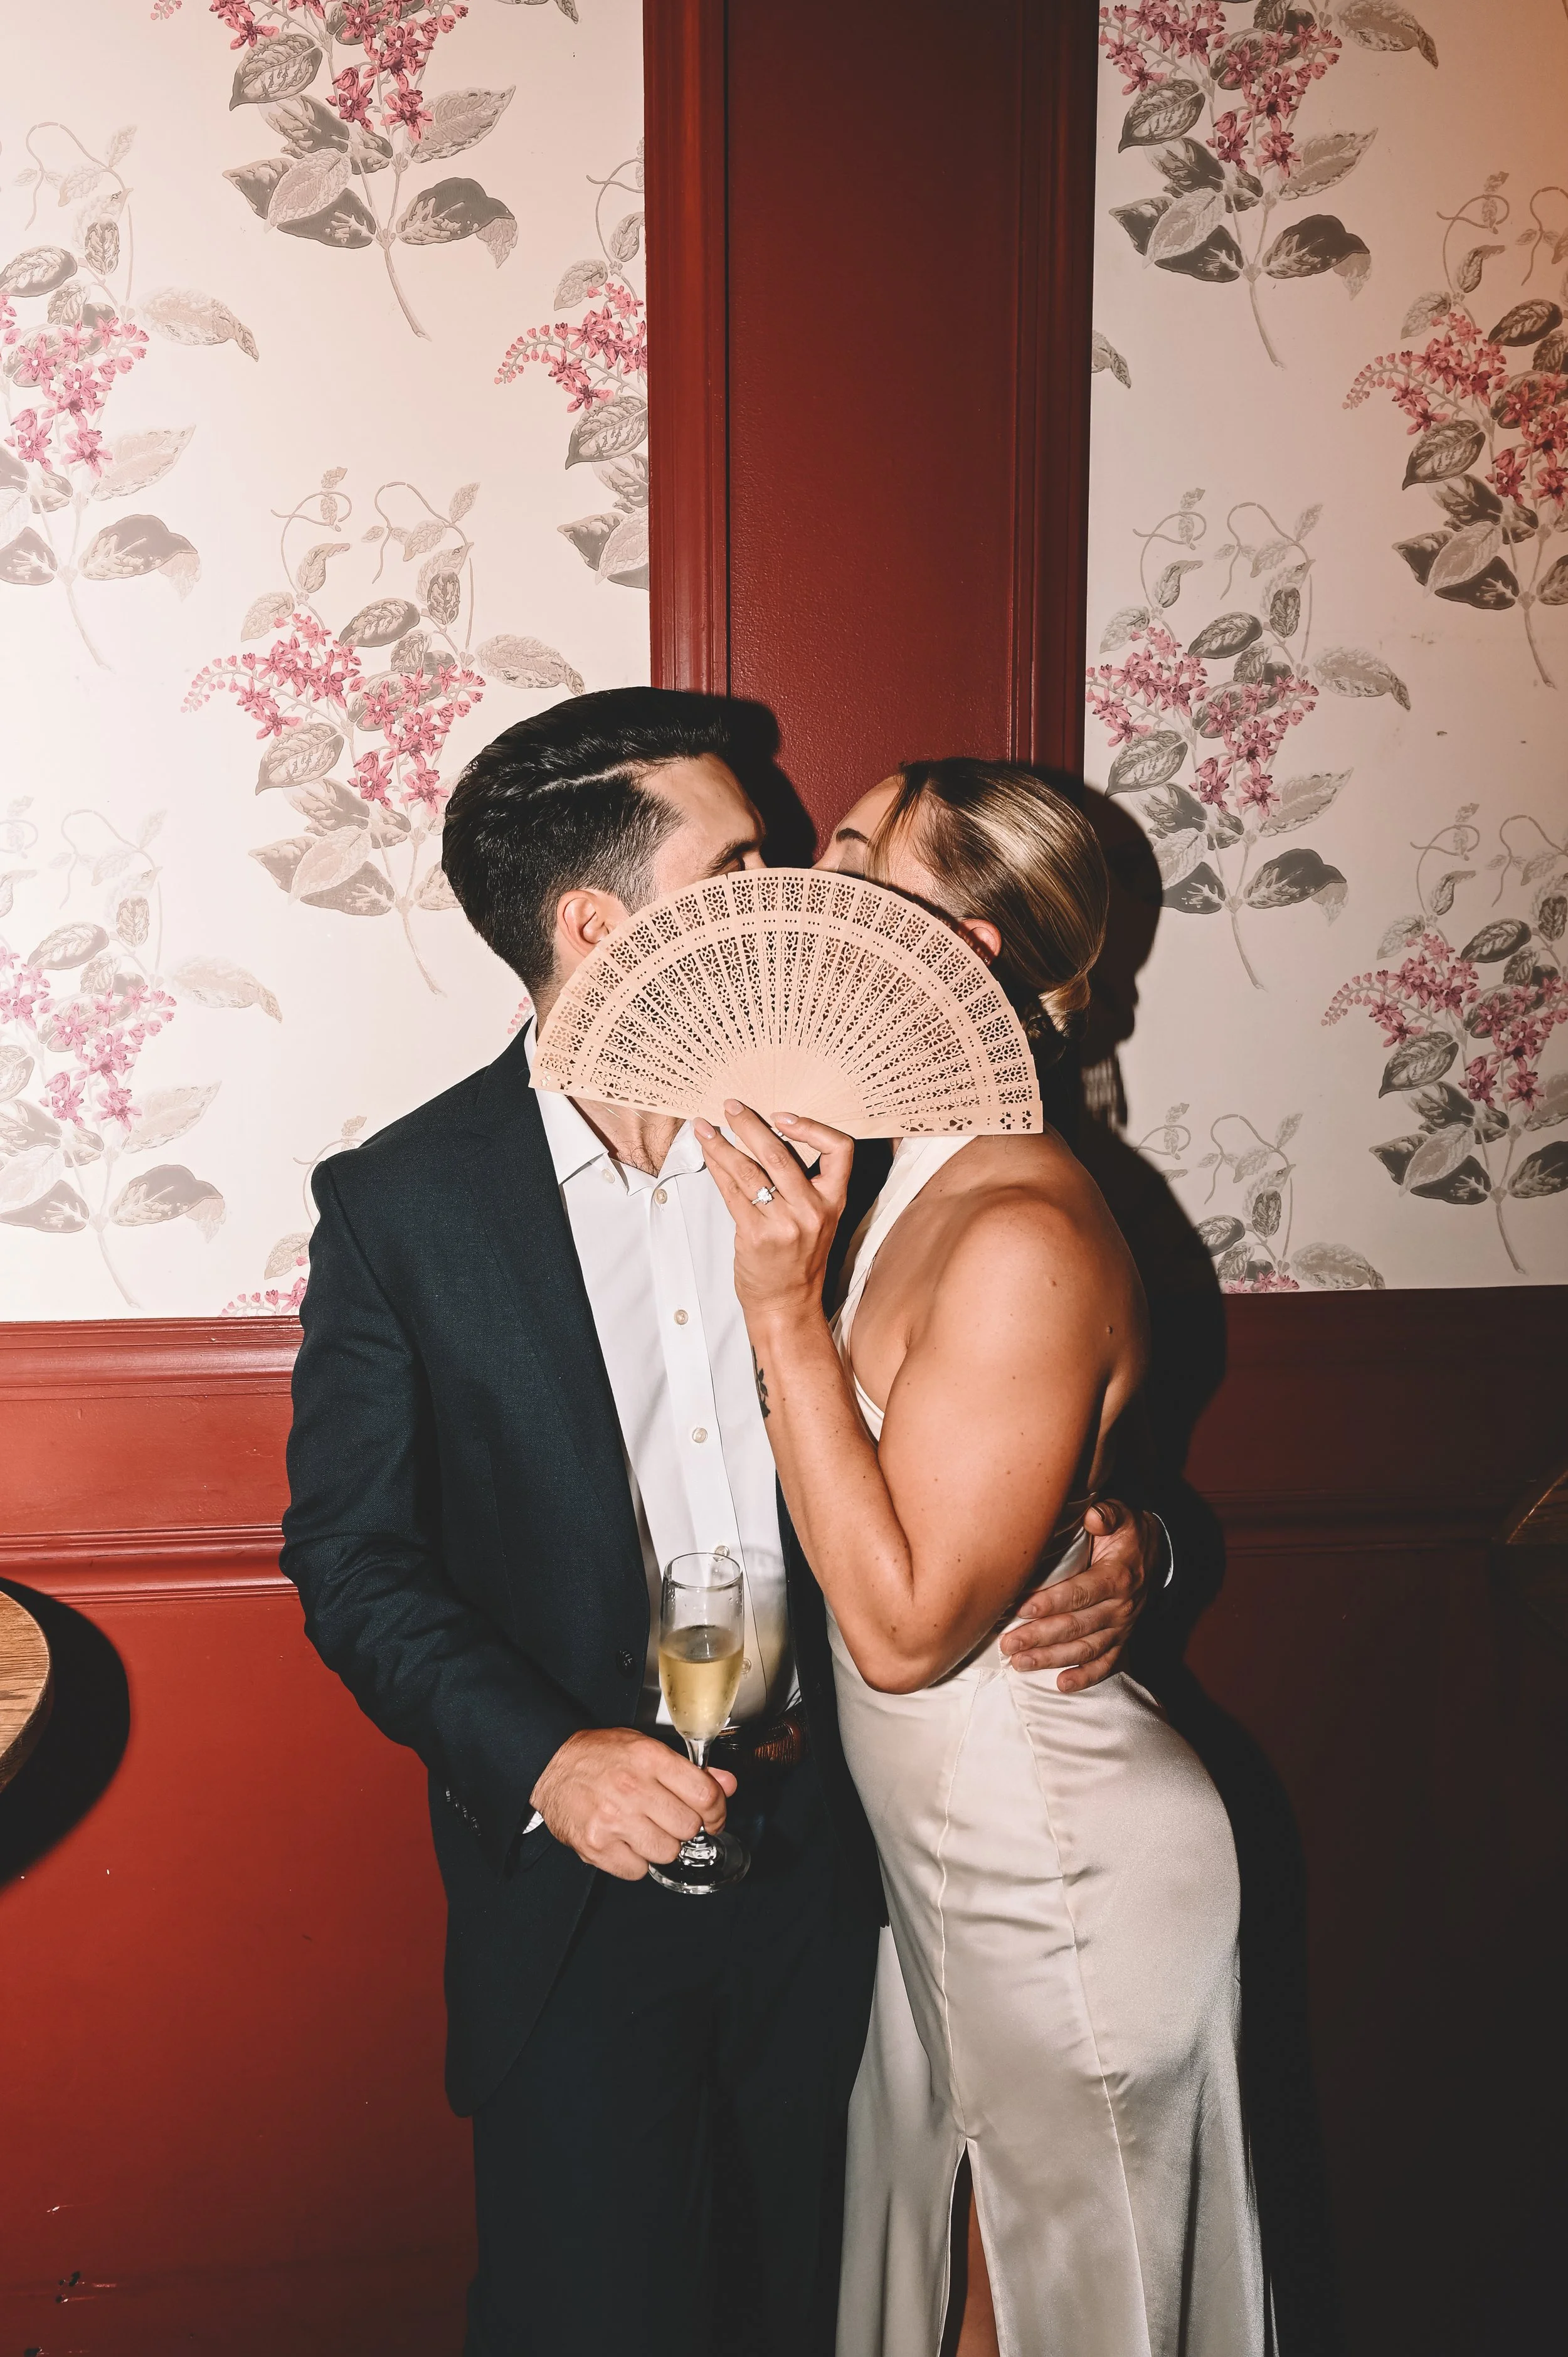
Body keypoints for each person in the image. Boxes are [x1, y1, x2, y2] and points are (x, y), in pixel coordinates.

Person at [279, 694, 1169, 2357]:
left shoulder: (863, 1136)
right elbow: (349, 1552)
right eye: (748, 860)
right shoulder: (403, 1205)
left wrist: (1127, 1538)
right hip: (578, 1891)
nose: (799, 904)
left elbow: (1032, 1391)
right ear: (598, 927)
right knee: (585, 2312)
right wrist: (545, 1756)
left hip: (849, 1868)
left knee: (828, 2308)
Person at [699, 759, 1268, 2357]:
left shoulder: (1018, 1226)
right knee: (957, 2298)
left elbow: (896, 1632)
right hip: (939, 1869)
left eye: (857, 850)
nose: (813, 874)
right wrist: (1136, 1539)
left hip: (1061, 1872)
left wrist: (777, 1314)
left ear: (976, 949)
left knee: (1050, 2316)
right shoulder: (888, 1179)